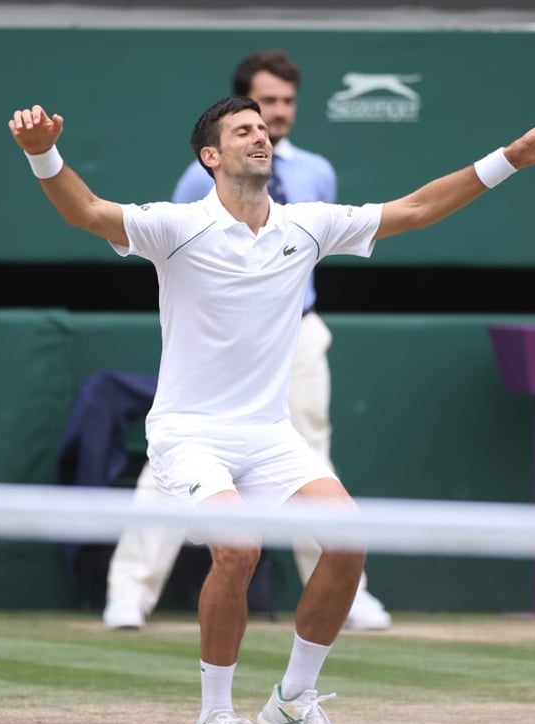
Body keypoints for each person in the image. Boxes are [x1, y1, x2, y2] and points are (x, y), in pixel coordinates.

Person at [10, 96, 535, 724]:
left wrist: (510, 158)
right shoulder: (174, 226)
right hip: (189, 433)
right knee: (239, 549)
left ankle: (290, 702)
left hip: (268, 433)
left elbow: (418, 208)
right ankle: (213, 720)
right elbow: (86, 211)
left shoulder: (306, 226)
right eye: (242, 130)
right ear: (211, 157)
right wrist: (41, 151)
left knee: (348, 542)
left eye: (264, 128)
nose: (261, 135)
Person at [102, 49, 391, 633]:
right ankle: (130, 590)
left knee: (312, 455)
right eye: (266, 104)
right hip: (214, 345)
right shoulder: (201, 178)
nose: (277, 115)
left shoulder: (316, 172)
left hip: (295, 333)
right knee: (168, 472)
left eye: (285, 104)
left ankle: (345, 587)